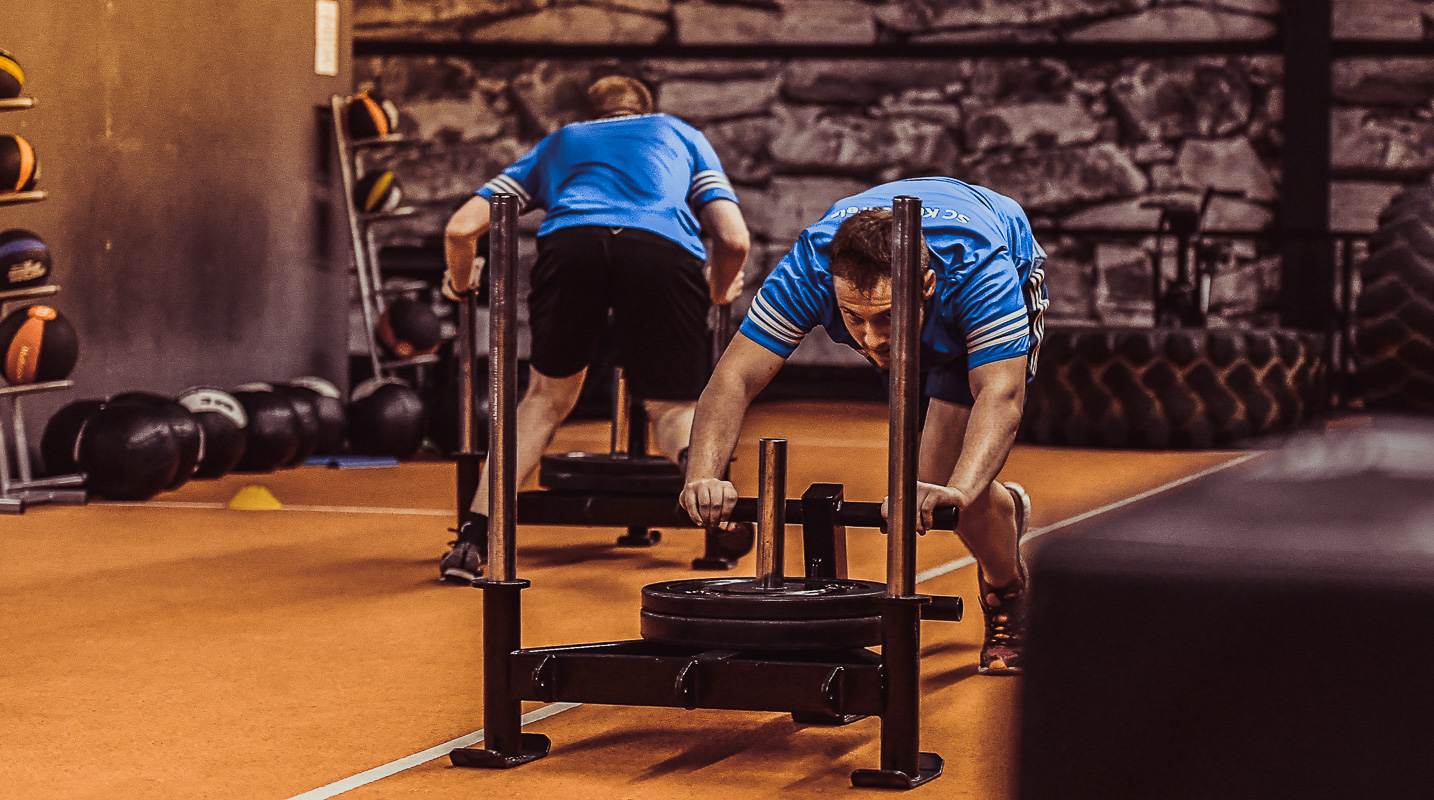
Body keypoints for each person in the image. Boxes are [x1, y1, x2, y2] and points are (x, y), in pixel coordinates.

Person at [679, 176, 1047, 675]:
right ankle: (997, 507)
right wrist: (703, 472)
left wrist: (958, 491)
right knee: (937, 486)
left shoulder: (980, 271)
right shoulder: (809, 268)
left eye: (886, 318)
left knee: (942, 487)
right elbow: (734, 377)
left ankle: (1006, 591)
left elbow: (1000, 396)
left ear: (927, 286)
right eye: (853, 317)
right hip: (914, 291)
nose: (872, 340)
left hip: (989, 266)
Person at [440, 75, 750, 583]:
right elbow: (733, 238)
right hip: (660, 251)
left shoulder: (561, 141)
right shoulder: (681, 134)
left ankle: (475, 537)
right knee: (673, 406)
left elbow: (460, 228)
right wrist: (719, 290)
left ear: (592, 113)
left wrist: (460, 282)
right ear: (644, 108)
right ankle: (715, 505)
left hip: (572, 245)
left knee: (544, 399)